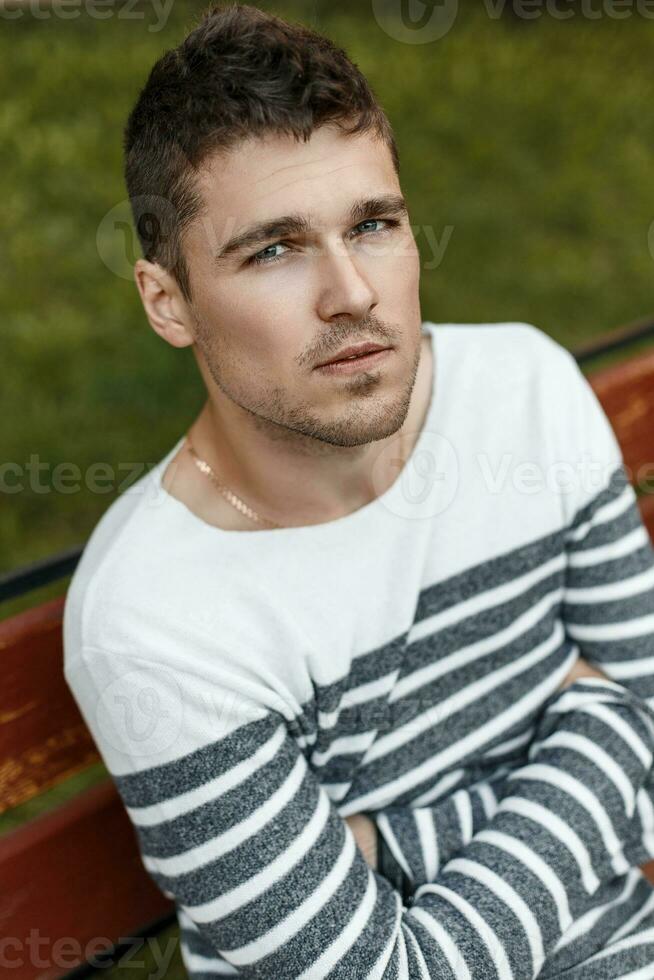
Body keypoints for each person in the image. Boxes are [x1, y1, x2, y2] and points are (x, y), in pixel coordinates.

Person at [63, 3, 654, 976]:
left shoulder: (523, 391)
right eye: (276, 248)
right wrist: (596, 725)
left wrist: (387, 843)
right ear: (167, 301)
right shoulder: (154, 616)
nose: (354, 292)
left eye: (373, 225)